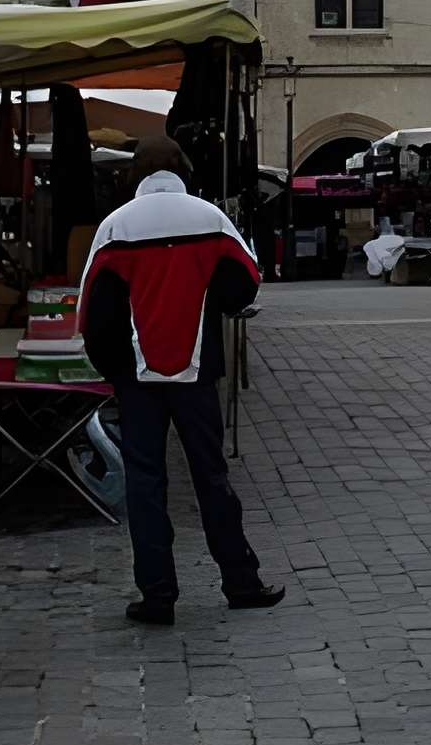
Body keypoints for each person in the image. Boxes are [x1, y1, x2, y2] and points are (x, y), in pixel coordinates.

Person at [75, 138, 285, 625]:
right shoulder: (210, 218)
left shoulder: (115, 226)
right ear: (184, 171)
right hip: (196, 372)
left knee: (145, 483)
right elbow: (244, 285)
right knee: (211, 476)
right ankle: (241, 582)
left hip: (136, 375)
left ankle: (157, 595)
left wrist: (114, 371)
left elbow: (94, 312)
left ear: (135, 176)